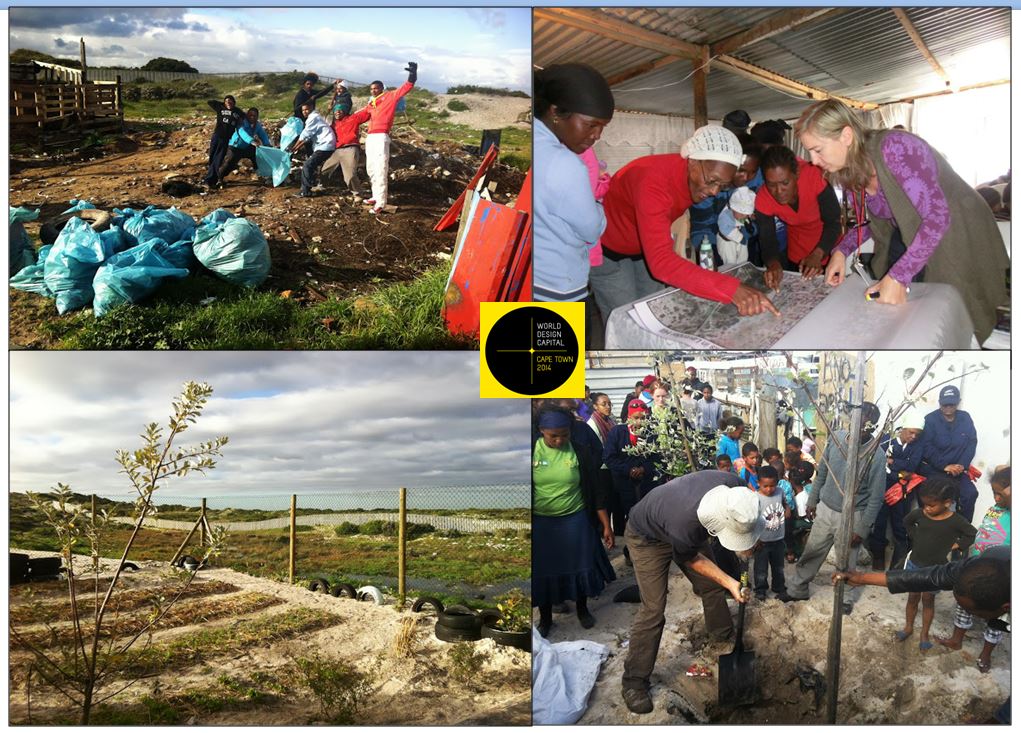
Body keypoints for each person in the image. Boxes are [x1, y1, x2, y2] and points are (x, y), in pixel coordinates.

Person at [796, 99, 1009, 342]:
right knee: (910, 308)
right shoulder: (850, 171)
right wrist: (840, 252)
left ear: (846, 135)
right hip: (914, 230)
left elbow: (937, 216)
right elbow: (877, 220)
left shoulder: (895, 148)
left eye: (818, 150)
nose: (813, 160)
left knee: (959, 305)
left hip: (958, 226)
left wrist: (898, 276)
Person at [592, 125, 779, 322]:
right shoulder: (652, 181)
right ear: (692, 163)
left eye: (722, 186)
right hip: (608, 250)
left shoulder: (697, 178)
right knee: (625, 317)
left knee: (655, 311)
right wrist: (732, 289)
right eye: (712, 181)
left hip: (640, 248)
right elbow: (662, 263)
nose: (715, 191)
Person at [620, 471, 764, 714]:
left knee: (710, 587)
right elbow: (691, 558)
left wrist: (749, 541)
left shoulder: (736, 490)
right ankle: (634, 682)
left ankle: (721, 638)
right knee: (653, 608)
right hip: (647, 537)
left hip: (683, 526)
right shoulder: (684, 523)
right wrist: (731, 582)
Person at [786, 402, 886, 613]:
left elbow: (876, 497)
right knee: (812, 551)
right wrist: (813, 500)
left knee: (847, 561)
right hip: (825, 509)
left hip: (853, 516)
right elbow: (822, 471)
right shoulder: (836, 439)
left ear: (872, 426)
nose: (859, 426)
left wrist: (862, 528)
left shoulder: (876, 456)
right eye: (856, 420)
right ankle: (797, 589)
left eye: (866, 423)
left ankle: (845, 599)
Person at [533, 63, 615, 304]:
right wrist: (597, 204)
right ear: (556, 112)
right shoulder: (565, 164)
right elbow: (592, 230)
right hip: (557, 290)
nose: (597, 135)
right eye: (591, 124)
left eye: (602, 127)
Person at [532, 408, 615, 638]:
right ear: (541, 432)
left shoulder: (579, 452)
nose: (559, 440)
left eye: (564, 435)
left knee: (580, 564)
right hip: (542, 522)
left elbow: (596, 490)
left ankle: (582, 608)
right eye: (553, 436)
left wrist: (605, 524)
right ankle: (546, 617)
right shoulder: (532, 452)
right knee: (544, 570)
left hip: (575, 517)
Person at [936, 465, 1010, 672]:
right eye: (993, 493)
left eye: (1000, 493)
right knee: (964, 605)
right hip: (976, 565)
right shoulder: (995, 509)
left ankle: (985, 654)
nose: (996, 498)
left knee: (997, 621)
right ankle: (956, 639)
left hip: (1001, 578)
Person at [895, 476, 977, 651]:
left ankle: (924, 634)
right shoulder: (921, 514)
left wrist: (957, 545)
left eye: (931, 505)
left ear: (947, 503)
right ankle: (908, 627)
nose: (926, 508)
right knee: (912, 598)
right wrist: (915, 535)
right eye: (924, 504)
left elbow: (971, 533)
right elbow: (907, 521)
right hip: (915, 564)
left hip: (936, 570)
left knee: (928, 600)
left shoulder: (956, 521)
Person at [754, 145, 841, 288]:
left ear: (797, 174)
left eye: (785, 183)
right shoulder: (763, 198)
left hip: (829, 246)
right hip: (798, 252)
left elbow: (834, 222)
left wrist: (818, 254)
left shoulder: (813, 176)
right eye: (771, 185)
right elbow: (767, 240)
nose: (779, 191)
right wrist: (774, 264)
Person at [358, 62, 418, 214]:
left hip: (380, 137)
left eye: (376, 88)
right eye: (371, 89)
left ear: (381, 88)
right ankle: (375, 195)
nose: (373, 90)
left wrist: (412, 74)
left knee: (380, 169)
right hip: (370, 137)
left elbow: (407, 87)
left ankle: (381, 203)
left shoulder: (390, 97)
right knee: (371, 168)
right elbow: (361, 116)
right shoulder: (371, 103)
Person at [869, 414, 925, 571]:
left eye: (917, 434)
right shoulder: (886, 441)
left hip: (903, 491)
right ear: (903, 429)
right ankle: (878, 557)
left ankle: (898, 563)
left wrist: (893, 464)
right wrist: (901, 470)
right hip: (882, 488)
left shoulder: (917, 446)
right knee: (879, 522)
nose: (913, 437)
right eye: (911, 432)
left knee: (900, 523)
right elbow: (878, 462)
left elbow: (912, 467)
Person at [603, 399, 662, 546]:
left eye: (643, 418)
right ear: (629, 417)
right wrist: (628, 470)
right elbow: (609, 457)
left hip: (647, 485)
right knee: (628, 518)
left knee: (647, 516)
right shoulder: (618, 432)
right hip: (624, 486)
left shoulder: (652, 434)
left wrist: (644, 469)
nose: (640, 422)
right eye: (636, 418)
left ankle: (649, 546)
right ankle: (630, 550)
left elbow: (659, 458)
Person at [917, 385, 978, 522]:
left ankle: (961, 531)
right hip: (935, 470)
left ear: (958, 402)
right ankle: (931, 533)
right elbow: (926, 446)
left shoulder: (965, 418)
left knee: (970, 494)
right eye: (945, 404)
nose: (948, 407)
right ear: (940, 402)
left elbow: (972, 442)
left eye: (952, 404)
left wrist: (962, 465)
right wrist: (944, 465)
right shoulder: (930, 420)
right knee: (933, 499)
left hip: (958, 471)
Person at [753, 465, 792, 601]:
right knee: (761, 569)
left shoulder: (780, 492)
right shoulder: (755, 498)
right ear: (758, 483)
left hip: (778, 539)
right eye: (765, 486)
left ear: (777, 482)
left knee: (778, 567)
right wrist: (755, 540)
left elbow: (785, 503)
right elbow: (752, 520)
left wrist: (787, 509)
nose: (769, 489)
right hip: (762, 541)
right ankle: (760, 590)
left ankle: (779, 587)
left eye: (772, 485)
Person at [586, 393, 621, 537]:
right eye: (604, 404)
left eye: (609, 404)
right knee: (604, 504)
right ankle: (605, 533)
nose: (608, 407)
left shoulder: (611, 421)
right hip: (602, 469)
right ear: (595, 406)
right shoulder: (592, 424)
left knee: (617, 503)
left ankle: (619, 534)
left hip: (613, 467)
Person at [321, 104, 371, 195]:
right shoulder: (334, 125)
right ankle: (322, 186)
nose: (337, 112)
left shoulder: (353, 118)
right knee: (325, 169)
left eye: (340, 110)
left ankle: (357, 193)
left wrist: (373, 105)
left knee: (350, 175)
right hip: (337, 150)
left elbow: (367, 114)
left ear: (345, 111)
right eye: (336, 110)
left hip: (350, 148)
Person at [290, 102, 337, 198]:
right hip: (325, 145)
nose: (304, 112)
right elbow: (307, 137)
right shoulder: (314, 117)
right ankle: (311, 185)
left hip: (326, 145)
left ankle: (305, 191)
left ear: (311, 108)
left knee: (307, 165)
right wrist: (296, 147)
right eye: (303, 110)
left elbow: (305, 134)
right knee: (312, 165)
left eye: (306, 109)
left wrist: (295, 146)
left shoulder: (313, 118)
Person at [215, 107, 271, 187]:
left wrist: (267, 144)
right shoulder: (241, 123)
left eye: (254, 116)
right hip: (236, 147)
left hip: (247, 147)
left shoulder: (257, 125)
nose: (252, 117)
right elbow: (242, 133)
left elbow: (263, 134)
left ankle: (260, 175)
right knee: (229, 163)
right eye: (250, 115)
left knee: (258, 157)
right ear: (247, 115)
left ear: (257, 117)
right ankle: (219, 178)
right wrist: (252, 141)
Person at [203, 95, 244, 187]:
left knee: (218, 158)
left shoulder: (237, 111)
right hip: (216, 135)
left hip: (225, 138)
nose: (228, 103)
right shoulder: (220, 108)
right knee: (212, 157)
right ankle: (213, 177)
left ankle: (209, 181)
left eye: (230, 102)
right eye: (227, 102)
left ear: (234, 102)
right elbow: (210, 101)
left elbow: (246, 117)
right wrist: (223, 104)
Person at [716, 186, 756, 266]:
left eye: (746, 214)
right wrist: (740, 238)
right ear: (733, 208)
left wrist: (751, 218)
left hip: (741, 237)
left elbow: (746, 220)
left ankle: (742, 267)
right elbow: (725, 228)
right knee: (730, 261)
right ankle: (730, 274)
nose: (744, 216)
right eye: (741, 214)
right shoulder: (725, 216)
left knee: (743, 257)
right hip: (727, 240)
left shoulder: (741, 215)